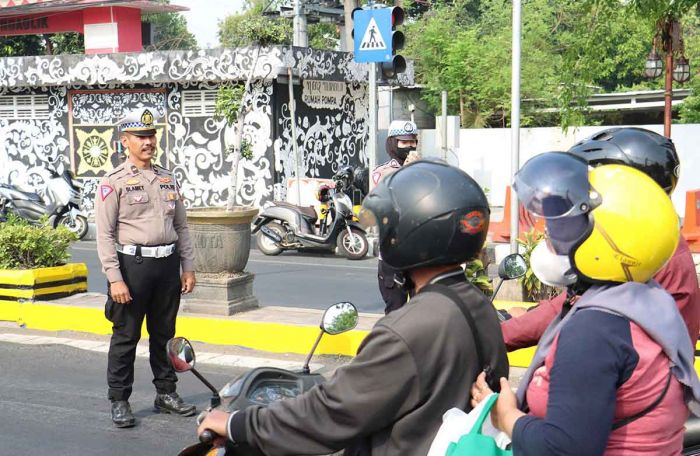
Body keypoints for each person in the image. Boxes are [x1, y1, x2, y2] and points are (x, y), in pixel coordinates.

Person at [197, 160, 509, 455]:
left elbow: (331, 414)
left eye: (391, 227)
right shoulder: (479, 306)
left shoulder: (408, 329)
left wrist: (238, 423)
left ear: (412, 233)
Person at [471, 152, 700, 455]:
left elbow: (565, 448)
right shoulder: (647, 300)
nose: (549, 237)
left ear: (606, 243)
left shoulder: (595, 331)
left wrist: (505, 416)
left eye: (564, 228)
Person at [502, 127, 700, 349]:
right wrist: (527, 316)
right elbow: (575, 301)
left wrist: (497, 336)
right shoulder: (657, 238)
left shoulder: (641, 249)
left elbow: (579, 308)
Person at [95, 107, 197, 428]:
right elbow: (104, 234)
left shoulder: (168, 178)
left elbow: (181, 226)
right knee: (126, 336)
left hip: (167, 267)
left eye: (151, 135)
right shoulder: (113, 182)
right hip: (132, 268)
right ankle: (119, 400)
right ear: (125, 141)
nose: (148, 142)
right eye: (140, 137)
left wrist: (187, 266)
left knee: (164, 334)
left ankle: (165, 393)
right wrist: (115, 278)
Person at [372, 120, 421, 314]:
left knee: (422, 313)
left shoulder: (423, 168)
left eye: (412, 142)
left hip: (418, 256)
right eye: (404, 142)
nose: (410, 147)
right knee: (396, 314)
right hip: (393, 257)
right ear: (393, 143)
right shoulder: (382, 172)